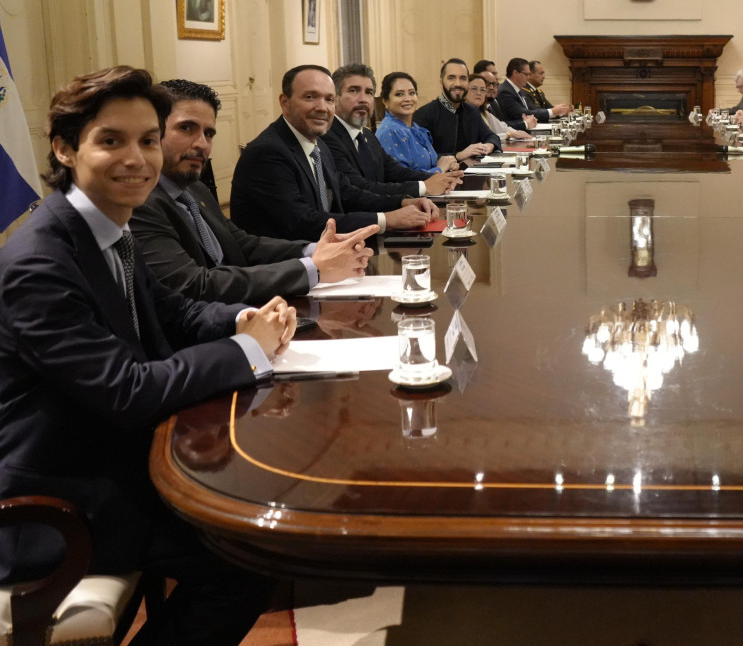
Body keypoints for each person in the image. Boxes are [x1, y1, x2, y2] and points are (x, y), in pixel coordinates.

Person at [0, 65, 292, 643]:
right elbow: (125, 392)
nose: (138, 159)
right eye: (112, 141)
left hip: (111, 456)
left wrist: (245, 320)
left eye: (148, 141)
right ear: (64, 148)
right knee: (246, 560)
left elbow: (174, 312)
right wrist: (244, 351)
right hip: (60, 496)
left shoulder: (110, 226)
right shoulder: (40, 261)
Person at [133, 79, 376, 304]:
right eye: (186, 128)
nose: (202, 144)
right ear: (152, 132)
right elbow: (196, 285)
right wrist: (313, 268)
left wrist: (315, 248)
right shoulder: (141, 203)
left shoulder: (194, 187)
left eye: (208, 133)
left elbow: (240, 243)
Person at [230, 65, 438, 240]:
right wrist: (386, 220)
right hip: (285, 271)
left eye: (329, 99)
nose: (322, 107)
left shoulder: (317, 145)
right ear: (285, 102)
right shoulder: (268, 152)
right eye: (310, 97)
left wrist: (403, 201)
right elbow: (304, 222)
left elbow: (348, 193)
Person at [321, 63, 463, 197]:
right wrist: (425, 186)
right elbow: (359, 188)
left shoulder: (367, 135)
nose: (363, 99)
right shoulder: (327, 137)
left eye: (369, 92)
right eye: (353, 91)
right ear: (335, 97)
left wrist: (444, 179)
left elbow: (396, 172)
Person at [413, 57, 503, 161]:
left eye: (463, 78)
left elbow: (491, 136)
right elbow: (421, 157)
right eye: (451, 78)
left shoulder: (472, 111)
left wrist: (489, 145)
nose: (458, 84)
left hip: (471, 173)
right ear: (441, 83)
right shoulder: (424, 114)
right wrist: (458, 156)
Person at [498, 57, 569, 124]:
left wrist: (557, 111)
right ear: (515, 73)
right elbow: (522, 114)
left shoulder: (518, 90)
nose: (528, 77)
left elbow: (531, 111)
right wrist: (552, 112)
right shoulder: (506, 91)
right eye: (526, 74)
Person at [479, 58, 536, 131]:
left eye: (494, 84)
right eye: (488, 83)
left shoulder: (492, 102)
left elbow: (501, 125)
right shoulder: (504, 92)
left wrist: (526, 121)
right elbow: (494, 129)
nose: (492, 87)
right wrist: (525, 123)